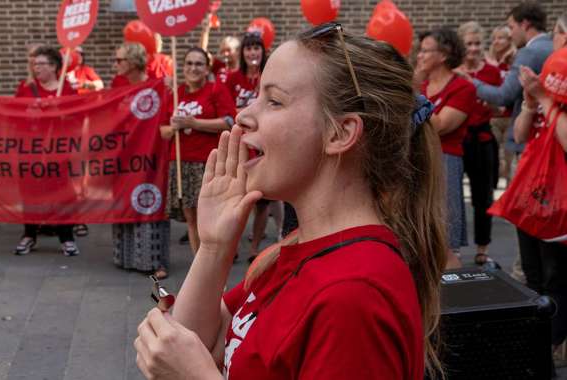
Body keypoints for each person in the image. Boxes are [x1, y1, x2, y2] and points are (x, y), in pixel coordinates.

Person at [135, 23, 447, 379]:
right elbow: (196, 341)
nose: (244, 116)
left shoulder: (354, 294)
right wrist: (213, 247)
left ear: (340, 133)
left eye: (274, 101)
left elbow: (190, 364)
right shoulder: (292, 250)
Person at [512, 15, 567, 360]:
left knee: (557, 279)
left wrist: (545, 101)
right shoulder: (547, 84)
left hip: (559, 200)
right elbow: (520, 135)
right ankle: (537, 343)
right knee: (531, 274)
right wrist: (531, 103)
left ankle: (548, 346)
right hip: (532, 194)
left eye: (558, 35)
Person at [162, 47, 236, 256]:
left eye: (198, 64)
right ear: (183, 68)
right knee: (191, 219)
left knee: (211, 219)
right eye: (189, 64)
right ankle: (199, 264)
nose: (193, 68)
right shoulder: (176, 94)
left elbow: (229, 122)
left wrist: (194, 123)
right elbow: (163, 132)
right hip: (180, 164)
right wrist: (174, 128)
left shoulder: (216, 90)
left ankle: (217, 262)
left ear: (206, 69)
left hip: (207, 163)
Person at [110, 43, 171, 279]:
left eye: (120, 60)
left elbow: (163, 119)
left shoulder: (157, 85)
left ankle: (156, 260)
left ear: (134, 62)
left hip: (151, 156)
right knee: (126, 200)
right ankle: (127, 256)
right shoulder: (117, 85)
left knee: (151, 201)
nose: (116, 64)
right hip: (125, 156)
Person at [473, 1, 553, 179]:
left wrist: (471, 82)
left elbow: (504, 95)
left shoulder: (529, 52)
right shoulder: (553, 46)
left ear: (524, 24)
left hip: (527, 136)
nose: (511, 34)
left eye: (512, 27)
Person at [13, 46, 79, 257]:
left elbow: (78, 118)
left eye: (41, 64)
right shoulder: (25, 87)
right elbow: (13, 115)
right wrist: (27, 114)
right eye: (34, 64)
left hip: (58, 151)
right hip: (31, 151)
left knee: (61, 194)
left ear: (54, 66)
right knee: (30, 194)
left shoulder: (66, 89)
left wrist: (62, 112)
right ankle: (29, 234)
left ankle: (66, 237)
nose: (36, 68)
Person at [415, 28, 471, 269]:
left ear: (444, 54)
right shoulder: (422, 86)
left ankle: (454, 298)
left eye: (425, 51)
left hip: (445, 161)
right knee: (421, 236)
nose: (419, 56)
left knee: (445, 241)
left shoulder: (463, 88)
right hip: (417, 160)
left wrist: (412, 92)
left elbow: (438, 125)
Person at [222, 32, 275, 262]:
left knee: (262, 199)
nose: (252, 52)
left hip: (264, 142)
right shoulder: (233, 78)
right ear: (242, 53)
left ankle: (255, 247)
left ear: (263, 52)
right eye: (248, 48)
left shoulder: (270, 76)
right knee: (237, 197)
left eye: (256, 48)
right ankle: (231, 245)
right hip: (241, 142)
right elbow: (225, 111)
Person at [456, 22, 502, 264]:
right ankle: (453, 247)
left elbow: (499, 107)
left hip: (483, 139)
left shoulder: (491, 73)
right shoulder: (452, 71)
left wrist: (490, 103)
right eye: (468, 44)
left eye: (477, 44)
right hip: (458, 140)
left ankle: (482, 248)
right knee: (453, 197)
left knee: (483, 197)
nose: (473, 49)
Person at [486, 25, 518, 184]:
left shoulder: (516, 59)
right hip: (493, 117)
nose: (496, 42)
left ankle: (509, 193)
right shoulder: (489, 61)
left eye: (501, 38)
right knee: (493, 160)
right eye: (494, 38)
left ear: (509, 39)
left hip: (511, 117)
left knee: (510, 159)